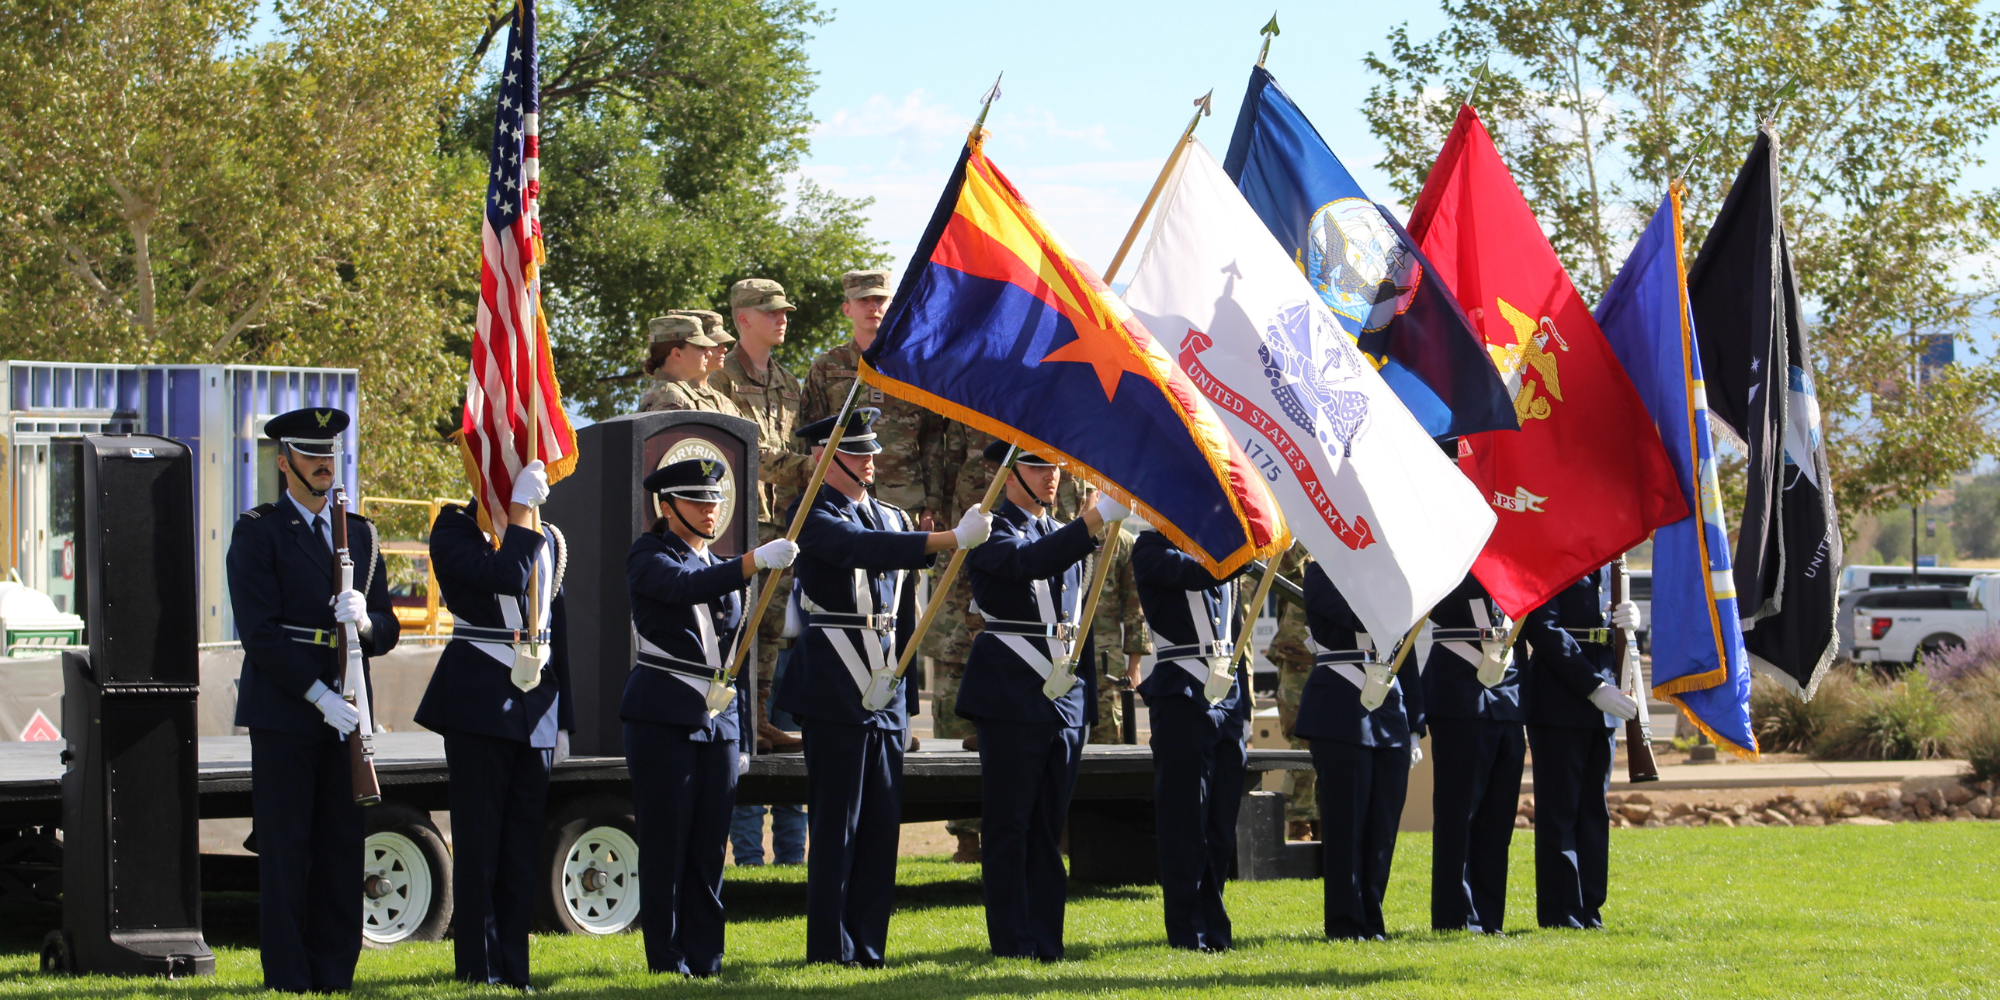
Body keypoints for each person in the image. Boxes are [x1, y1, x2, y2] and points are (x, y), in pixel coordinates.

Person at [773, 408, 993, 966]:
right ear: (826, 459)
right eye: (857, 452)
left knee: (878, 825)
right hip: (834, 680)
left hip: (885, 684)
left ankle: (868, 944)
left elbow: (900, 581)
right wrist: (947, 538)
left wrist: (945, 540)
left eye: (872, 450)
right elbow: (859, 548)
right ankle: (829, 947)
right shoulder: (810, 513)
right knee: (837, 823)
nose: (871, 460)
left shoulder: (891, 514)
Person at [226, 406, 398, 993]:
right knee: (286, 850)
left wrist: (367, 623)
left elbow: (390, 628)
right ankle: (289, 976)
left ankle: (333, 972)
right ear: (285, 462)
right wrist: (318, 694)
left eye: (330, 454)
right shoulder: (260, 530)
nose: (325, 464)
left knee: (340, 848)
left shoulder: (361, 532)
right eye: (311, 454)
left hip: (349, 710)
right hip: (288, 708)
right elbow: (261, 633)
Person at [623, 458, 801, 975]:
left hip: (719, 721)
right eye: (698, 501)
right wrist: (752, 562)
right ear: (668, 506)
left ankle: (706, 956)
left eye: (715, 501)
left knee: (707, 846)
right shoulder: (648, 553)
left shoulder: (720, 565)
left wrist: (742, 735)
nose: (710, 510)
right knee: (666, 843)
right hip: (663, 713)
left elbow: (734, 657)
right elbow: (680, 589)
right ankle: (667, 957)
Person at [959, 442, 1125, 960]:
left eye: (1054, 467)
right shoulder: (988, 527)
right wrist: (1095, 520)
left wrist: (1086, 703)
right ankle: (1012, 941)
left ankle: (1046, 939)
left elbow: (1080, 618)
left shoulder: (1059, 531)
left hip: (1062, 698)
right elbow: (1029, 563)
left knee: (1050, 824)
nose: (1050, 476)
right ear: (1009, 474)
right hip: (1012, 691)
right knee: (1010, 822)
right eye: (1036, 466)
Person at [414, 459, 572, 987]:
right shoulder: (455, 528)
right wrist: (522, 511)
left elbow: (555, 627)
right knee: (481, 845)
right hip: (479, 698)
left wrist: (564, 719)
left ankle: (515, 968)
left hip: (535, 707)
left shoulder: (549, 535)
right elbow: (506, 576)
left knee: (523, 845)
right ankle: (479, 969)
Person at [1131, 526, 1252, 952]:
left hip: (1225, 697)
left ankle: (1214, 927)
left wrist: (1245, 707)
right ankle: (1187, 930)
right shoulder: (1150, 547)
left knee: (1220, 825)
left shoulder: (1217, 552)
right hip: (1182, 693)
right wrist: (1245, 549)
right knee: (1185, 821)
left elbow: (1235, 631)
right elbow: (1197, 574)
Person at [708, 278, 812, 755]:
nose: (782, 318)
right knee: (735, 621)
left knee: (770, 623)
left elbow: (795, 445)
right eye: (771, 311)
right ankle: (730, 714)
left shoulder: (789, 383)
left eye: (783, 311)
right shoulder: (720, 380)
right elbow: (740, 450)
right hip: (737, 521)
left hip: (781, 520)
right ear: (742, 318)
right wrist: (806, 468)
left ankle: (759, 717)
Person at [1297, 562, 1426, 940]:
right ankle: (1344, 923)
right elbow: (1358, 616)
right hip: (1340, 704)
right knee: (1345, 825)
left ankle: (1372, 921)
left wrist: (1415, 725)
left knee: (1382, 828)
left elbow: (1407, 653)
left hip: (1389, 711)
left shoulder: (1389, 578)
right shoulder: (1322, 571)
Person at [1521, 567, 1641, 929]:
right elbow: (1542, 628)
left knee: (1593, 810)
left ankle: (1590, 909)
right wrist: (1592, 686)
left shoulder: (1610, 563)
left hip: (1605, 696)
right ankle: (1561, 913)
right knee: (1561, 811)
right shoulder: (1555, 555)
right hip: (1561, 697)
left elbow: (1609, 632)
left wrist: (1633, 622)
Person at [1424, 571, 1528, 935]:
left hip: (1507, 695)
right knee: (1458, 816)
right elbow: (1438, 600)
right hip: (1459, 691)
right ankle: (1456, 917)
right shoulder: (1450, 551)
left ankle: (1488, 917)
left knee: (1497, 821)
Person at [925, 423, 997, 860]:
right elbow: (940, 459)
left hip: (1013, 551)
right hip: (960, 544)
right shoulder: (962, 399)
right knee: (955, 697)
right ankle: (966, 833)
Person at [1261, 544, 1317, 837]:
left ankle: (1322, 817)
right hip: (1298, 655)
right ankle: (1299, 820)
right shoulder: (1297, 536)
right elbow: (1276, 570)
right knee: (1301, 739)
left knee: (1332, 741)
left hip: (1340, 652)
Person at [638, 315, 726, 413]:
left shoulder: (674, 393)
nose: (708, 353)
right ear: (677, 354)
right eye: (700, 347)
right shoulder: (673, 399)